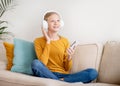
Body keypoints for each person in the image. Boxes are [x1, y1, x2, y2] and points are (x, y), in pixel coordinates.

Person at [31, 11, 98, 83]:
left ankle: (59, 82)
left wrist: (69, 57)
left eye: (58, 20)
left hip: (64, 76)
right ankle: (63, 83)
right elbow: (42, 63)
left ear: (61, 23)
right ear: (45, 24)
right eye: (52, 21)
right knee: (35, 63)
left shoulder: (65, 41)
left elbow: (67, 68)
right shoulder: (38, 41)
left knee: (93, 72)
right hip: (47, 73)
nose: (56, 23)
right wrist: (48, 41)